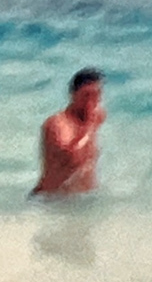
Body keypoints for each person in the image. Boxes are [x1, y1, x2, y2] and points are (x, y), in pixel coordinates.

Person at [33, 67, 105, 195]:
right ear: (73, 95)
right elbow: (71, 159)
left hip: (84, 199)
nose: (91, 102)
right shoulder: (58, 123)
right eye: (86, 95)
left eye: (96, 95)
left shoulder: (92, 118)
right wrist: (90, 126)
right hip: (51, 200)